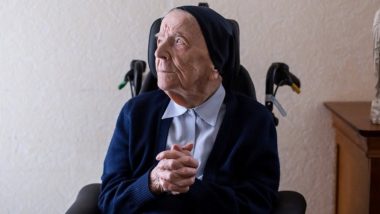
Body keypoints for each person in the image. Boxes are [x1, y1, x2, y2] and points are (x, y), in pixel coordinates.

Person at [98, 5, 280, 214]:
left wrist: (190, 186)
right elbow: (109, 201)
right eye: (159, 40)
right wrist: (153, 182)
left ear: (215, 65)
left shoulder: (255, 122)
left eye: (178, 41)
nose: (159, 52)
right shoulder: (135, 114)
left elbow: (258, 205)